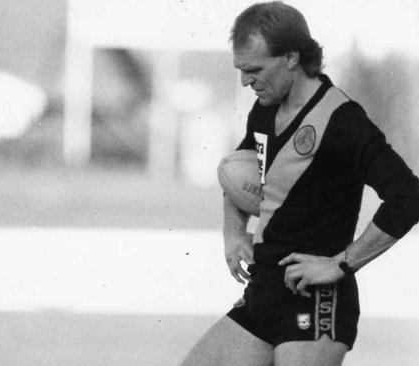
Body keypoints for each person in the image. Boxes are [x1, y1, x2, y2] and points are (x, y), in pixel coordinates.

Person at [179, 2, 419, 366]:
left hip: (316, 298)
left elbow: (408, 196)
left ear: (291, 56)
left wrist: (341, 263)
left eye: (254, 70)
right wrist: (233, 233)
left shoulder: (342, 121)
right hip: (263, 293)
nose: (246, 81)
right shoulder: (263, 109)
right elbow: (237, 171)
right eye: (241, 71)